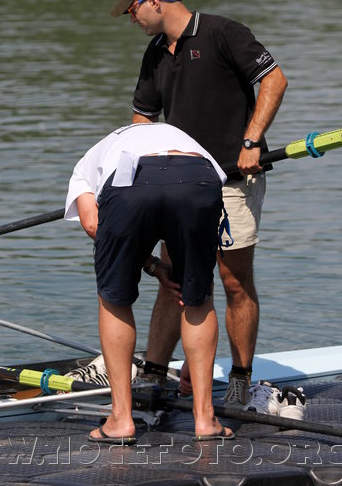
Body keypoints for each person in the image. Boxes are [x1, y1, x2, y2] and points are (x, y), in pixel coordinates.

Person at [110, 0, 288, 408]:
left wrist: (251, 141)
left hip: (232, 180)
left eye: (133, 10)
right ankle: (153, 373)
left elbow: (274, 80)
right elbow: (141, 118)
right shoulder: (155, 53)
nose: (132, 19)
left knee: (233, 281)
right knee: (172, 278)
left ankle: (242, 379)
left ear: (154, 1)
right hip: (179, 187)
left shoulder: (223, 33)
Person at [64, 122, 235, 443]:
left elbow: (94, 225)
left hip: (131, 187)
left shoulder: (85, 166)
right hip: (198, 176)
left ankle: (120, 419)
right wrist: (156, 265)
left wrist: (145, 261)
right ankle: (205, 419)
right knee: (198, 298)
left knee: (115, 299)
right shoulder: (179, 136)